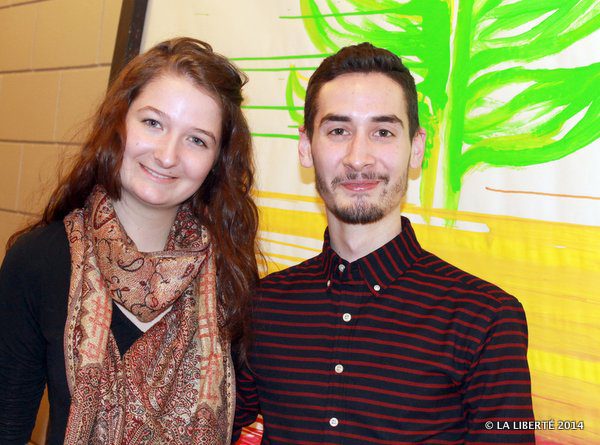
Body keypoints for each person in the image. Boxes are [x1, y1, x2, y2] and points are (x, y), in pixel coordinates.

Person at [233, 42, 535, 444]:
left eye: (383, 132)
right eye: (339, 131)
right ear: (306, 147)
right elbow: (203, 426)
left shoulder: (485, 318)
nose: (359, 158)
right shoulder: (262, 305)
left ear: (417, 148)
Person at [0, 37, 259, 444]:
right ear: (119, 122)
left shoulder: (232, 277)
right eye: (153, 123)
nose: (168, 155)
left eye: (197, 139)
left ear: (217, 162)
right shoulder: (38, 262)